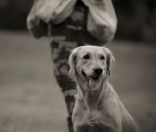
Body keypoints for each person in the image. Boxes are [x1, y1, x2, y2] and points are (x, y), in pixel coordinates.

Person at [27, 0, 117, 132]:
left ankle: (81, 124)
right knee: (87, 76)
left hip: (65, 17)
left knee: (69, 76)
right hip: (91, 18)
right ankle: (90, 123)